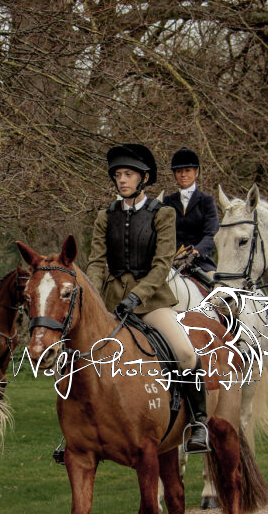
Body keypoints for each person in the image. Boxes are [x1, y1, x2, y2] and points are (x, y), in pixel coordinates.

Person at [87, 144, 210, 453]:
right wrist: (94, 298)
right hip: (112, 303)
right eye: (118, 175)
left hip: (152, 301)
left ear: (143, 178)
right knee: (83, 356)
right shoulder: (105, 216)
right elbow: (96, 262)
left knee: (185, 352)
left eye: (128, 174)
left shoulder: (163, 214)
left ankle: (198, 422)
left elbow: (161, 265)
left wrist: (136, 297)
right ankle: (78, 430)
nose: (122, 180)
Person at [161, 147, 219, 287]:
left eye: (187, 170)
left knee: (221, 291)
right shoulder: (166, 202)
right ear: (174, 174)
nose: (183, 175)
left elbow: (211, 234)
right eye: (179, 171)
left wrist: (196, 251)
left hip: (200, 262)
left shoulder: (207, 201)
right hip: (171, 262)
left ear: (196, 172)